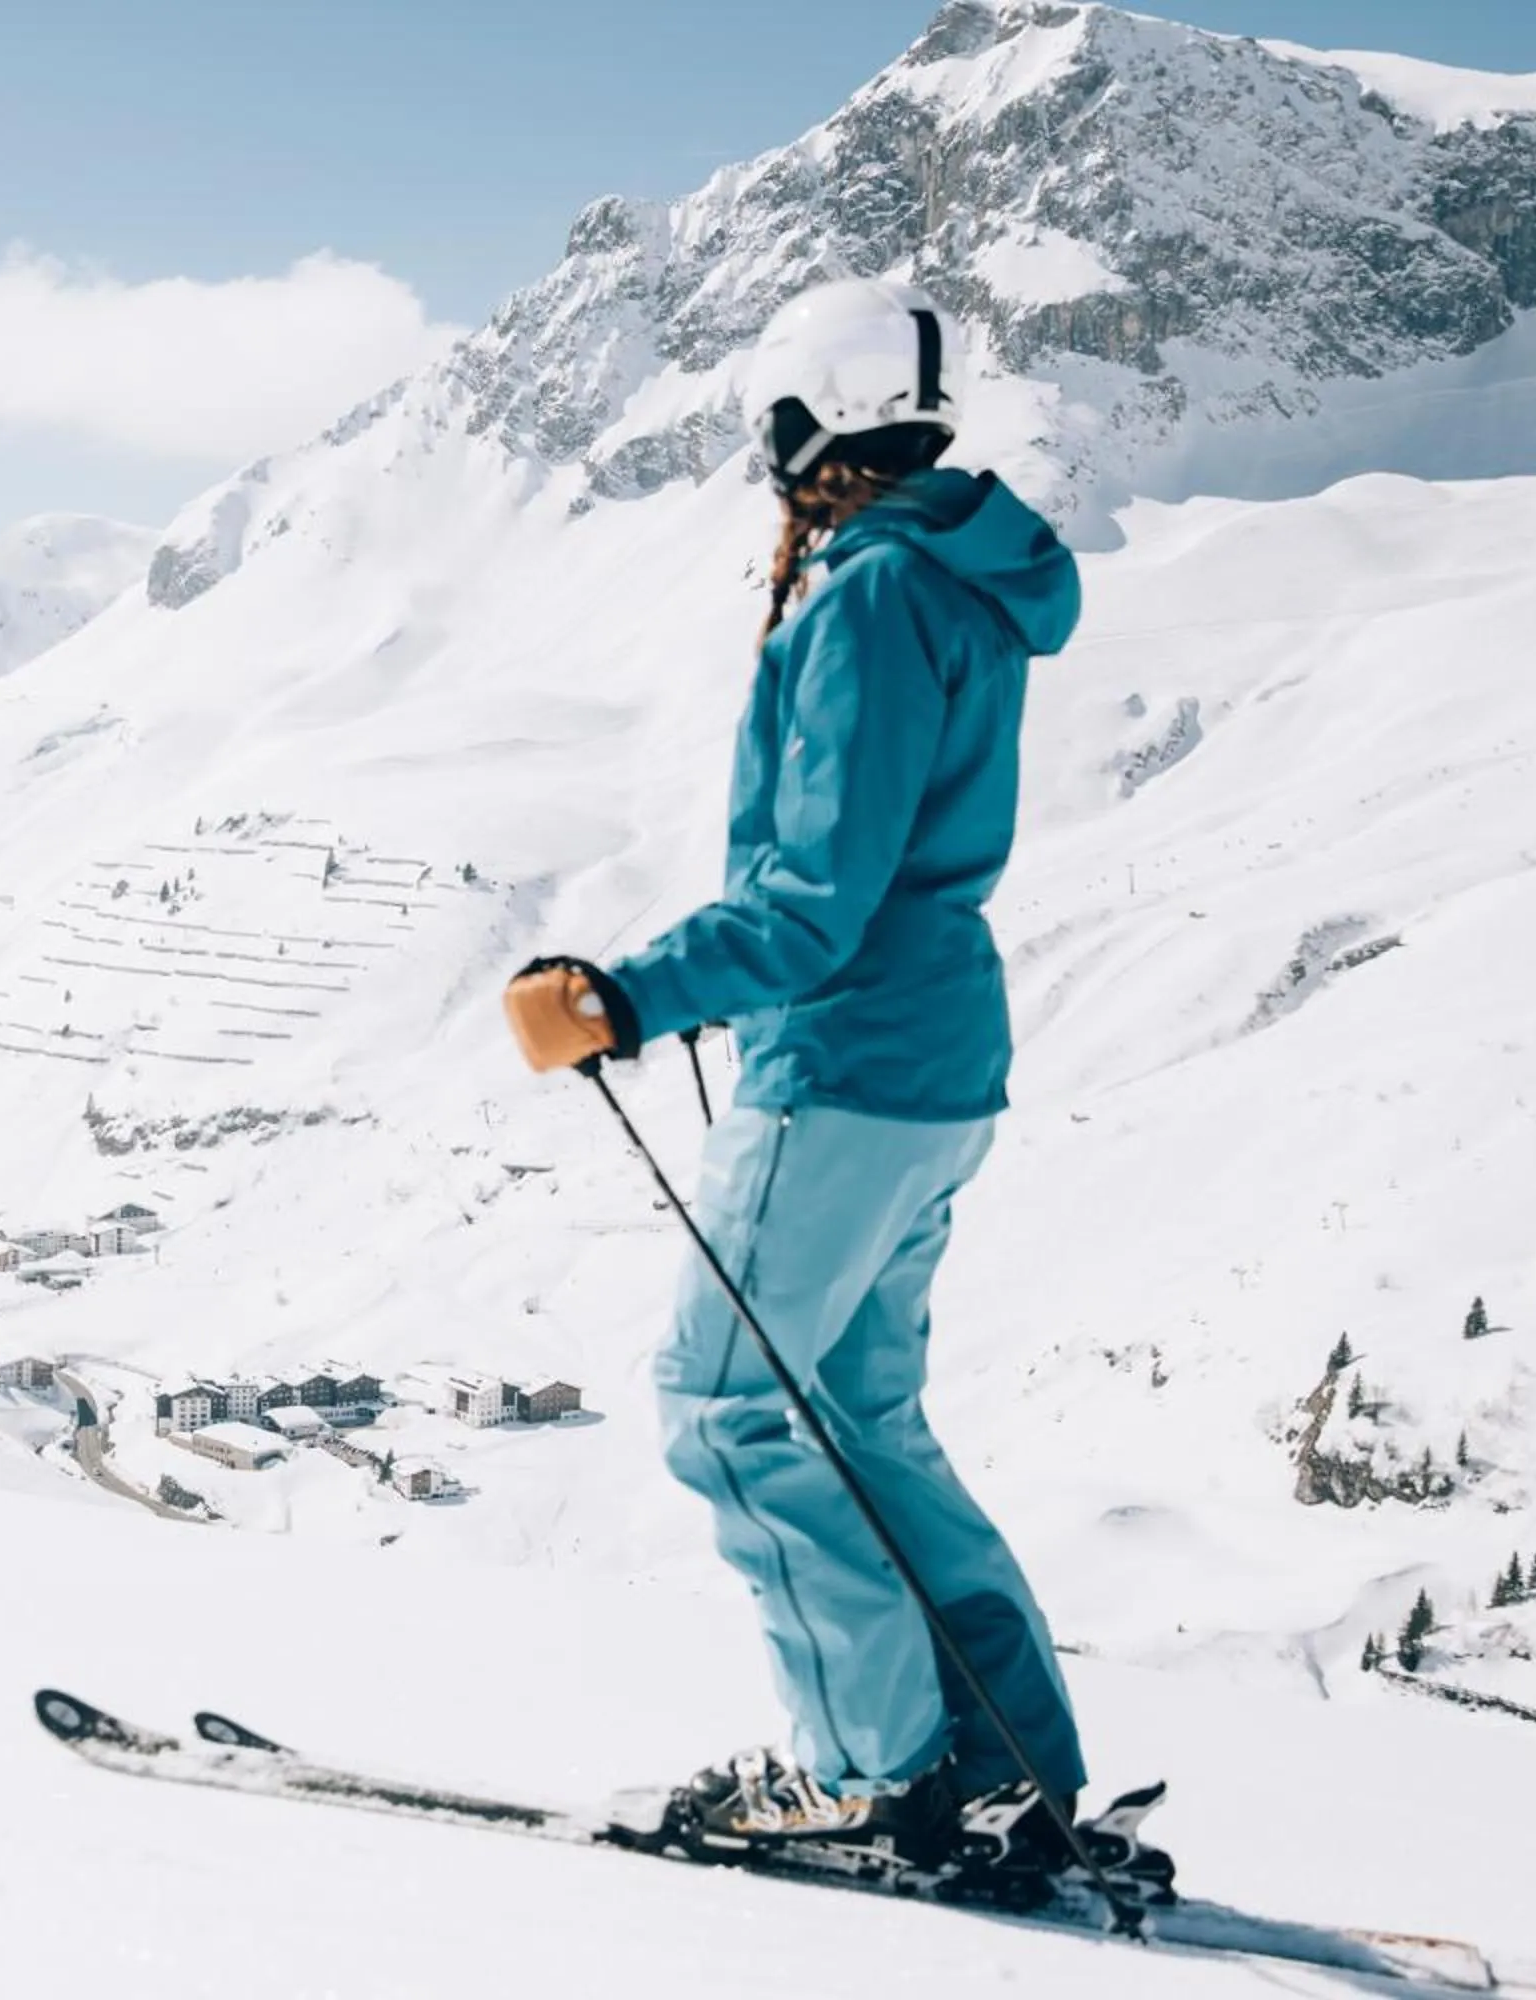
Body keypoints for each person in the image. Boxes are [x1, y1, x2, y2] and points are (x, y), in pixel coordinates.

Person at [503, 277, 1086, 1864]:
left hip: (845, 1062)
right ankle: (1006, 1768)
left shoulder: (871, 595)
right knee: (859, 1416)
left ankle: (871, 1773)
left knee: (727, 1407)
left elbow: (814, 901)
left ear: (812, 417)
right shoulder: (956, 574)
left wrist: (628, 996)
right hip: (932, 1060)